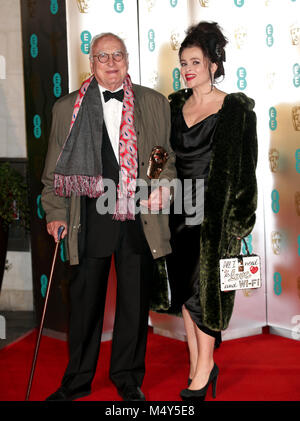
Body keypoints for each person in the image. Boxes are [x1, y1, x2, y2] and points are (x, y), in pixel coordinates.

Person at [41, 32, 175, 401]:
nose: (112, 62)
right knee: (84, 305)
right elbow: (53, 170)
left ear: (127, 59)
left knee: (134, 305)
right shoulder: (66, 108)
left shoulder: (153, 102)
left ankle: (128, 379)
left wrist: (164, 185)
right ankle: (76, 381)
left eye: (118, 55)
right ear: (91, 63)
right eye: (103, 56)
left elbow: (167, 159)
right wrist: (54, 212)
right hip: (88, 217)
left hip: (138, 220)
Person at [166, 21, 258, 401]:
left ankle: (204, 371)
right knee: (187, 295)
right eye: (183, 62)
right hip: (176, 213)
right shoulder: (173, 105)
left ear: (213, 65)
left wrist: (239, 223)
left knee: (206, 296)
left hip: (214, 217)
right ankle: (196, 363)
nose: (188, 69)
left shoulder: (236, 109)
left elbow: (246, 171)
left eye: (196, 62)